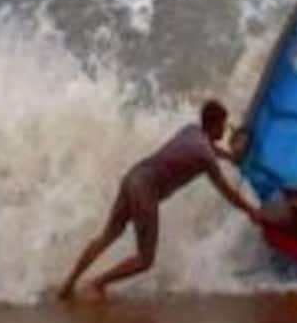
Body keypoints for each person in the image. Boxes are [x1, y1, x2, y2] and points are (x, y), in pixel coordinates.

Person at [58, 99, 260, 299]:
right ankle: (97, 283)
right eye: (223, 124)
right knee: (145, 260)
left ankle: (68, 285)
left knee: (108, 235)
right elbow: (227, 192)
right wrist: (251, 210)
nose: (225, 130)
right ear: (215, 124)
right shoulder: (205, 156)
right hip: (146, 191)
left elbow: (211, 150)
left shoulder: (190, 130)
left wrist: (229, 157)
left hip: (133, 177)